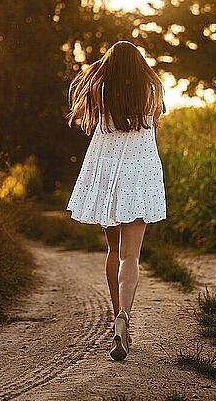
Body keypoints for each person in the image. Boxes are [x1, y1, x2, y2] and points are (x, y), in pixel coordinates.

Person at [65, 40, 167, 360]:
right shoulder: (152, 90)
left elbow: (92, 110)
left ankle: (116, 320)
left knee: (113, 251)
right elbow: (157, 117)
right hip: (139, 175)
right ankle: (125, 314)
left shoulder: (100, 90)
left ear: (109, 65)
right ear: (139, 65)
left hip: (108, 174)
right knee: (130, 257)